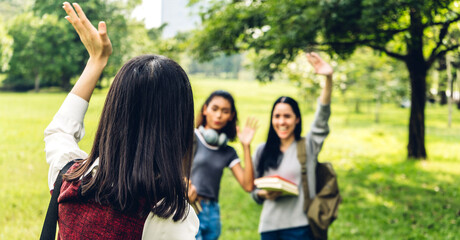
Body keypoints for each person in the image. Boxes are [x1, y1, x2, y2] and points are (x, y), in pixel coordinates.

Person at [44, 2, 198, 239]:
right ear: (178, 127)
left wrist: (96, 60)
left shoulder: (69, 177)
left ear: (114, 113)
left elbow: (59, 131)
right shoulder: (170, 216)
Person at [251, 52, 333, 240]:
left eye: (287, 116)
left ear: (296, 119)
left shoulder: (308, 146)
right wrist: (264, 194)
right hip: (269, 228)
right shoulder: (262, 150)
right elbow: (254, 192)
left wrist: (328, 79)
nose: (282, 122)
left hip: (301, 227)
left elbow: (322, 118)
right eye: (277, 116)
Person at [188, 90, 258, 240]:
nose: (219, 115)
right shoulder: (191, 137)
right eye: (215, 109)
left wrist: (246, 146)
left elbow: (248, 186)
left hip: (212, 212)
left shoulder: (228, 151)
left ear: (231, 116)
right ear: (205, 109)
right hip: (190, 207)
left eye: (225, 111)